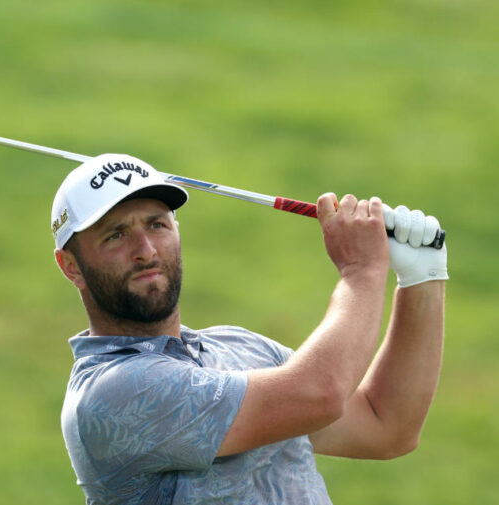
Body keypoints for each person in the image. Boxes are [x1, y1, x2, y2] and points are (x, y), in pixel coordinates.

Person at [52, 153, 447, 504]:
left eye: (157, 225)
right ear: (71, 265)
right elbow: (319, 394)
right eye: (115, 235)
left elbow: (386, 426)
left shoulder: (241, 348)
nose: (146, 249)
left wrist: (422, 278)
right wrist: (361, 271)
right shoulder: (113, 392)